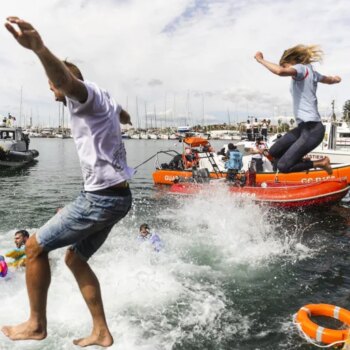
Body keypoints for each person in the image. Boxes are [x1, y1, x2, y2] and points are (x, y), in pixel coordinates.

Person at [2, 16, 134, 347]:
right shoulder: (104, 96)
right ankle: (102, 331)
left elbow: (67, 81)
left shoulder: (82, 95)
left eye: (51, 88)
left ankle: (36, 324)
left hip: (100, 198)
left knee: (34, 247)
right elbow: (121, 113)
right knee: (74, 258)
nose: (52, 94)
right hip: (119, 198)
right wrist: (123, 118)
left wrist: (39, 49)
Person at [254, 45, 341, 174]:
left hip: (312, 130)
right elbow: (328, 80)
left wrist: (260, 59)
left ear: (292, 62)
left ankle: (321, 162)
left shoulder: (300, 69)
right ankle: (298, 159)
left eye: (286, 66)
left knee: (283, 166)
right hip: (303, 129)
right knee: (273, 153)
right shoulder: (312, 73)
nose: (287, 71)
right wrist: (335, 79)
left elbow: (279, 72)